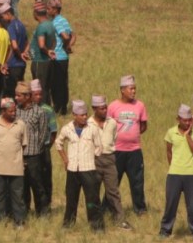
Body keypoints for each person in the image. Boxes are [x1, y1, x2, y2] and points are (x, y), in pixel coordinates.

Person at [159, 104, 193, 242]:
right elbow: (169, 151)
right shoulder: (170, 132)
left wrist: (188, 137)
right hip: (174, 173)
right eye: (184, 120)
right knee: (171, 204)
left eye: (189, 120)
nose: (187, 123)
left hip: (191, 173)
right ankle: (165, 230)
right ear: (178, 119)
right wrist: (173, 166)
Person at [55, 100, 104, 232]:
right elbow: (58, 143)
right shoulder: (67, 129)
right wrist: (65, 160)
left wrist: (91, 157)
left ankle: (96, 226)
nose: (84, 117)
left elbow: (99, 147)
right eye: (81, 115)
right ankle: (68, 224)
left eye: (85, 115)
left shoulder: (92, 129)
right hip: (72, 170)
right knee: (71, 198)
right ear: (74, 115)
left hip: (88, 169)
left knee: (92, 198)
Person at [108, 75, 149, 216]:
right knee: (113, 182)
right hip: (117, 151)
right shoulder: (113, 107)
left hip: (134, 151)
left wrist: (132, 136)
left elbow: (143, 126)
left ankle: (140, 209)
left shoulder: (140, 106)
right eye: (131, 89)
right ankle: (109, 209)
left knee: (137, 182)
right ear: (122, 90)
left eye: (134, 89)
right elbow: (108, 128)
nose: (133, 91)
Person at [89, 95, 130, 229]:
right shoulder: (88, 124)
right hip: (94, 160)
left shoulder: (112, 122)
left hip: (109, 159)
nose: (105, 110)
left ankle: (119, 219)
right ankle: (95, 219)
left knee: (113, 191)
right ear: (94, 109)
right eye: (101, 108)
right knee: (93, 191)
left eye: (105, 107)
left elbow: (114, 138)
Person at [0, 97, 28, 228]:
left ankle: (19, 222)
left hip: (16, 167)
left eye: (14, 111)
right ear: (3, 111)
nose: (13, 113)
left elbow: (23, 145)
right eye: (10, 111)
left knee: (17, 195)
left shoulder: (21, 124)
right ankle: (0, 221)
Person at [15, 81, 50, 217]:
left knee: (37, 185)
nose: (16, 98)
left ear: (27, 96)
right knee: (22, 186)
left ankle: (42, 212)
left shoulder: (39, 112)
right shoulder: (16, 111)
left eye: (19, 96)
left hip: (34, 155)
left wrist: (36, 148)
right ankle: (24, 211)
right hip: (19, 155)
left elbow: (43, 133)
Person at [30, 79, 57, 211]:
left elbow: (53, 132)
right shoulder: (26, 110)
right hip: (30, 150)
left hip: (44, 148)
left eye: (40, 94)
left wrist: (46, 147)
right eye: (36, 94)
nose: (39, 97)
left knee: (46, 178)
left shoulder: (47, 110)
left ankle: (47, 206)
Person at [47, 0, 73, 115]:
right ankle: (63, 106)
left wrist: (65, 44)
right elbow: (73, 35)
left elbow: (66, 36)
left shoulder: (56, 22)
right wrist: (68, 47)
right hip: (64, 57)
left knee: (56, 84)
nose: (47, 11)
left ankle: (58, 107)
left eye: (49, 8)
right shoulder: (64, 20)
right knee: (63, 82)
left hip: (57, 57)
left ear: (55, 9)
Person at [25, 2, 56, 96]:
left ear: (35, 13)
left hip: (39, 61)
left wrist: (47, 51)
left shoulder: (41, 27)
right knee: (45, 87)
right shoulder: (50, 24)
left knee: (39, 88)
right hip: (46, 61)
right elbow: (54, 42)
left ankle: (42, 109)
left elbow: (41, 45)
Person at [1, 3, 28, 97]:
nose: (3, 18)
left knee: (13, 92)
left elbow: (14, 46)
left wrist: (19, 55)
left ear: (8, 13)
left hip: (13, 64)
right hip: (22, 64)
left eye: (3, 15)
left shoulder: (11, 27)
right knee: (21, 90)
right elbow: (27, 42)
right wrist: (24, 53)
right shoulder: (21, 24)